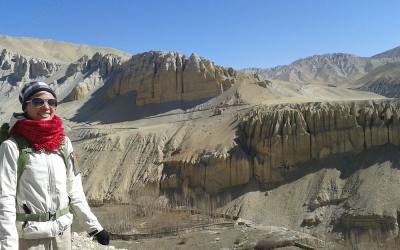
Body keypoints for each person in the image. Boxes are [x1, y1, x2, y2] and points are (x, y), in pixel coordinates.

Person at [0, 81, 110, 249]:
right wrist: (8, 245)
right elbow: (5, 198)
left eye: (52, 102)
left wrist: (94, 227)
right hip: (29, 239)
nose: (46, 107)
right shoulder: (12, 147)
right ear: (25, 107)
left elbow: (74, 189)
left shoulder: (63, 143)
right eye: (38, 102)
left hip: (62, 235)